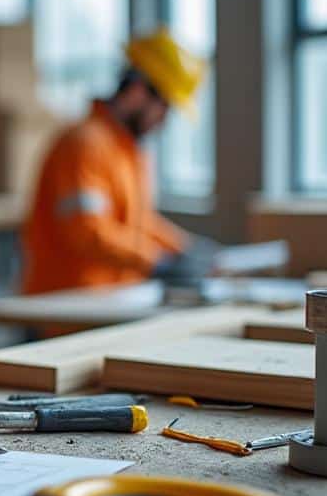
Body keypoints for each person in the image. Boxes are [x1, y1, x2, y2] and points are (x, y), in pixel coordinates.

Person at [21, 26, 214, 295]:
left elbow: (138, 222)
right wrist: (156, 261)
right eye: (165, 107)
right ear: (138, 91)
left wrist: (185, 247)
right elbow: (88, 230)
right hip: (66, 302)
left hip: (107, 299)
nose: (163, 121)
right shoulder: (85, 145)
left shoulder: (126, 150)